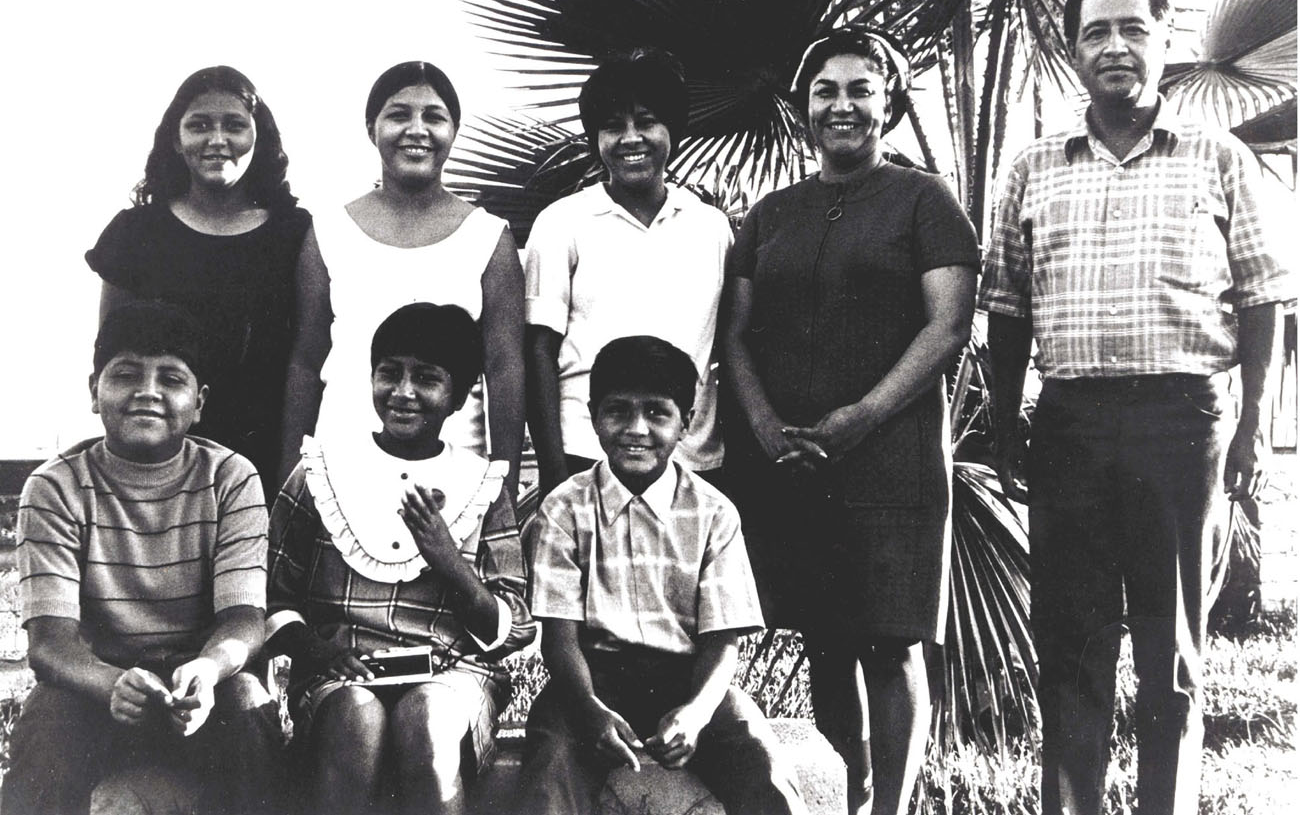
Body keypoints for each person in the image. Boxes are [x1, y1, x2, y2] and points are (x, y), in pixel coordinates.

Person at [981, 0, 1292, 815]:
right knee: (1072, 651)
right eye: (1094, 32)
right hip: (1071, 424)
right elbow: (1004, 308)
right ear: (1072, 49)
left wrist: (1252, 428)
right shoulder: (1032, 167)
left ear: (1164, 41)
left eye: (1132, 29)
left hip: (1181, 422)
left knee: (1171, 655)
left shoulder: (1219, 159)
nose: (1114, 46)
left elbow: (1267, 301)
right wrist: (1007, 422)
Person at [721, 30, 979, 815]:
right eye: (825, 90)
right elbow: (734, 331)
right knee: (824, 639)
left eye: (861, 88)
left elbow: (948, 325)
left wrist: (865, 414)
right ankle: (850, 796)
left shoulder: (924, 199)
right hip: (792, 460)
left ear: (889, 102)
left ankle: (892, 808)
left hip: (891, 457)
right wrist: (764, 424)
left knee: (893, 640)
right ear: (804, 110)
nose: (843, 104)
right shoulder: (770, 215)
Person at [6, 301, 281, 815]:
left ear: (198, 402)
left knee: (249, 703)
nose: (148, 391)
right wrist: (112, 683)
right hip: (99, 692)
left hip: (203, 695)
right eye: (126, 374)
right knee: (48, 716)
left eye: (171, 379)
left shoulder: (231, 478)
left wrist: (208, 668)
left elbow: (244, 621)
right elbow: (50, 645)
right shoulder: (54, 487)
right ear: (94, 393)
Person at [514, 335, 806, 815]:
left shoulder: (713, 512)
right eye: (618, 411)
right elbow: (559, 638)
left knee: (765, 771)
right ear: (593, 416)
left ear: (686, 423)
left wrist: (695, 715)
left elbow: (723, 640)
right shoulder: (564, 508)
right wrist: (589, 712)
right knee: (547, 779)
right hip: (588, 681)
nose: (636, 429)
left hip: (687, 679)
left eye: (657, 413)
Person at [266, 302, 535, 815]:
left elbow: (512, 630)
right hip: (340, 671)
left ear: (456, 397)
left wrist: (445, 558)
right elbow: (272, 594)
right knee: (355, 718)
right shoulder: (322, 472)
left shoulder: (481, 485)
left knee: (427, 721)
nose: (404, 392)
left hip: (452, 672)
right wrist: (318, 652)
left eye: (427, 379)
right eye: (389, 373)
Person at [280, 61, 525, 496]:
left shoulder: (489, 237)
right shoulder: (329, 231)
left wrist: (500, 483)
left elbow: (503, 368)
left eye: (434, 116)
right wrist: (290, 476)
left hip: (452, 476)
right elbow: (305, 360)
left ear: (454, 130)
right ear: (372, 127)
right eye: (398, 115)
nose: (417, 130)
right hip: (340, 469)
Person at [86, 66, 312, 497]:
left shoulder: (295, 234)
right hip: (157, 456)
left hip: (262, 458)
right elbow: (111, 356)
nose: (216, 139)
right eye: (199, 125)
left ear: (258, 137)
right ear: (176, 139)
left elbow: (307, 357)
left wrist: (289, 474)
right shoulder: (135, 233)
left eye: (234, 125)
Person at [524, 50, 732, 495]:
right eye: (613, 126)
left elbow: (729, 348)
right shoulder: (563, 222)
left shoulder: (710, 226)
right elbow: (539, 351)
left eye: (646, 121)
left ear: (672, 130)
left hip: (691, 461)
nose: (630, 138)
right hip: (586, 455)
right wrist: (554, 472)